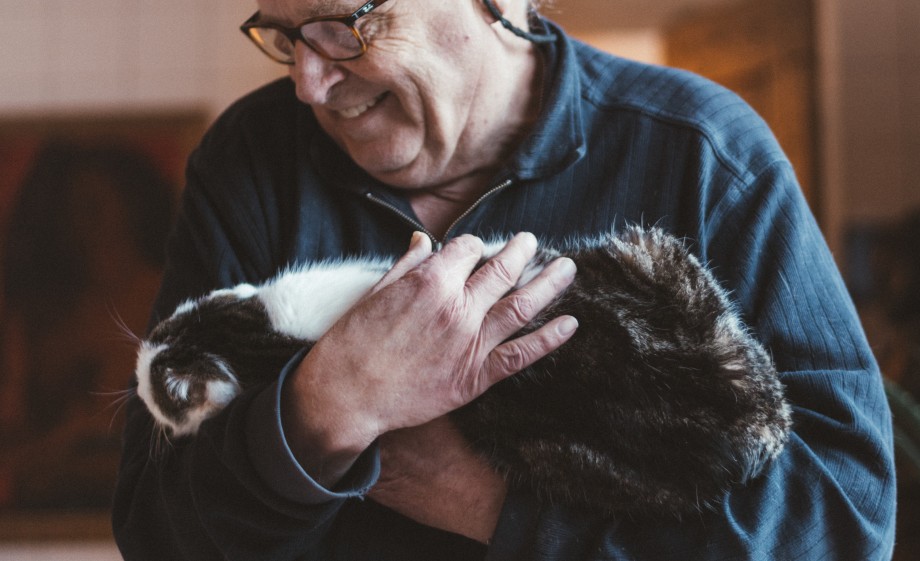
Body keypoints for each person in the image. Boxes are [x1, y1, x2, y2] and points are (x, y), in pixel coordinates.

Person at [112, 0, 897, 558]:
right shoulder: (250, 162)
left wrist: (500, 509)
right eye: (284, 37)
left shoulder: (704, 153)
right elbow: (154, 525)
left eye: (343, 27)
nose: (309, 83)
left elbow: (843, 521)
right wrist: (321, 412)